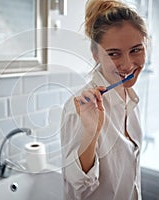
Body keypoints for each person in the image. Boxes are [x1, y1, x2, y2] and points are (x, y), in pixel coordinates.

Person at [60, 0, 148, 199]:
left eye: (136, 50)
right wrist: (91, 132)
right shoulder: (79, 108)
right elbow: (77, 189)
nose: (127, 65)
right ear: (95, 55)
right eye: (113, 54)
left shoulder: (129, 97)